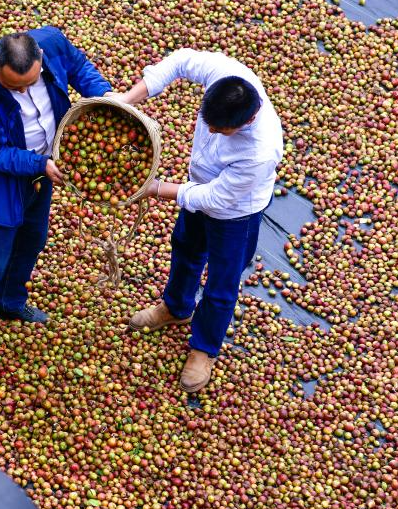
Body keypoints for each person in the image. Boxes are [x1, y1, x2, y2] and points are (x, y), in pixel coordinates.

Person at [0, 28, 114, 369]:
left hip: (42, 171)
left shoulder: (51, 43)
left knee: (33, 239)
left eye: (30, 83)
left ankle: (8, 301)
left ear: (40, 60)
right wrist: (40, 163)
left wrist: (106, 97)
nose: (24, 90)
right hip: (1, 182)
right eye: (14, 87)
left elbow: (79, 68)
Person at [117, 49, 283, 393]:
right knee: (185, 248)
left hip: (235, 213)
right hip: (196, 187)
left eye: (217, 129)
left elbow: (214, 198)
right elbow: (179, 61)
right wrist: (127, 100)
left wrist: (157, 188)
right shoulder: (229, 77)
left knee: (222, 282)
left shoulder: (260, 150)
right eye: (205, 120)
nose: (207, 129)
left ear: (243, 124)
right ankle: (176, 307)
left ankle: (204, 348)